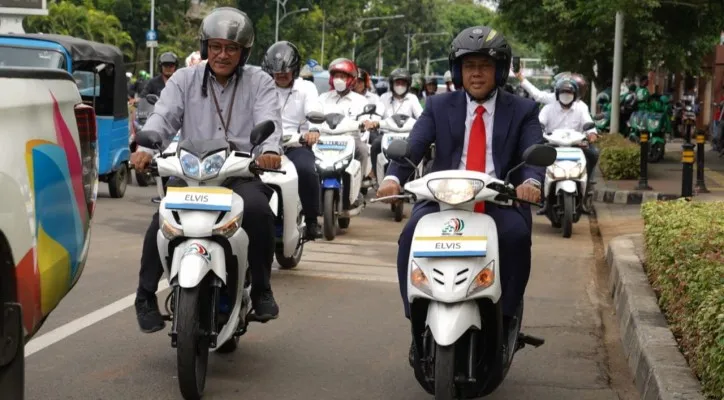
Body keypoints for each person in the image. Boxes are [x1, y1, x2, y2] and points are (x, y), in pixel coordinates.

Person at [376, 26, 544, 363]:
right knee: (410, 236)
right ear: (458, 71)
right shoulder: (438, 105)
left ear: (499, 69)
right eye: (469, 66)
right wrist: (393, 178)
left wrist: (533, 183)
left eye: (484, 65)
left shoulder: (522, 109)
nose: (477, 73)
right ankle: (417, 321)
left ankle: (506, 319)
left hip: (499, 200)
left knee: (516, 237)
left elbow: (534, 151)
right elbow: (414, 146)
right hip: (444, 199)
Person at [130, 7, 283, 333]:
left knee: (258, 210)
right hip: (190, 174)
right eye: (216, 47)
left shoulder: (260, 82)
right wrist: (144, 149)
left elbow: (269, 121)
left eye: (231, 48)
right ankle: (144, 295)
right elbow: (163, 117)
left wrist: (268, 151)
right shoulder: (184, 79)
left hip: (238, 174)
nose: (222, 55)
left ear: (244, 52)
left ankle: (262, 288)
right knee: (163, 219)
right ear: (205, 48)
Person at [261, 41, 323, 239]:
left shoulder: (307, 88)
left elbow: (314, 111)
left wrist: (312, 131)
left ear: (295, 69)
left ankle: (312, 220)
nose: (280, 75)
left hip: (296, 144)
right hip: (265, 144)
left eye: (285, 71)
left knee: (306, 169)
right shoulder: (263, 87)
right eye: (276, 72)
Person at [537, 77, 599, 215]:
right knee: (536, 158)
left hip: (576, 146)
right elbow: (539, 124)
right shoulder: (548, 108)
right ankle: (542, 198)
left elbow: (588, 123)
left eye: (569, 92)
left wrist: (592, 134)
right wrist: (538, 133)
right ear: (557, 93)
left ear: (575, 95)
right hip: (552, 145)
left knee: (593, 154)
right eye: (563, 92)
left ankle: (585, 191)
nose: (566, 95)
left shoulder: (581, 107)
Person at [318, 58, 376, 188]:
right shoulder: (323, 98)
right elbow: (314, 116)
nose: (339, 79)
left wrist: (366, 123)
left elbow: (365, 120)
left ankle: (357, 187)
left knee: (363, 150)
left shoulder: (360, 100)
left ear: (351, 79)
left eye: (342, 76)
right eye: (336, 76)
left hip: (351, 139)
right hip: (324, 139)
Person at [369, 68, 424, 180]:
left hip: (408, 136)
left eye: (403, 83)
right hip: (386, 135)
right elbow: (377, 115)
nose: (400, 85)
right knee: (375, 145)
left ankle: (419, 177)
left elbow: (421, 117)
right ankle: (375, 175)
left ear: (408, 85)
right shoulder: (384, 97)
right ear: (392, 84)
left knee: (423, 148)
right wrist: (373, 122)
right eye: (397, 83)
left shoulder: (412, 98)